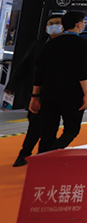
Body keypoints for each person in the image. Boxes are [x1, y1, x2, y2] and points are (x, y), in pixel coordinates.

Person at [31, 11, 87, 153]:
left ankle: (41, 159)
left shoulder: (50, 44)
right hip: (71, 93)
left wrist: (35, 95)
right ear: (78, 24)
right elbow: (82, 70)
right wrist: (86, 93)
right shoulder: (81, 43)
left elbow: (39, 71)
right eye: (84, 22)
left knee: (48, 130)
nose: (84, 25)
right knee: (71, 129)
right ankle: (51, 154)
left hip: (49, 92)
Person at [11, 16, 60, 166]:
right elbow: (24, 65)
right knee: (35, 123)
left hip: (55, 93)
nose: (53, 26)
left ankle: (42, 156)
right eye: (50, 24)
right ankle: (25, 153)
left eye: (57, 23)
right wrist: (12, 86)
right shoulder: (38, 44)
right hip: (34, 91)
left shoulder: (65, 46)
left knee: (50, 126)